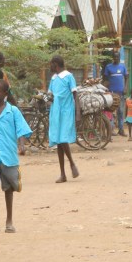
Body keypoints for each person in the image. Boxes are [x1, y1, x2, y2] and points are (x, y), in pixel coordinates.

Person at [0, 79, 32, 232]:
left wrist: (21, 145)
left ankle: (9, 220)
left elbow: (21, 129)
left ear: (5, 94)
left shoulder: (13, 111)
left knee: (8, 188)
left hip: (9, 155)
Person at [48, 55, 80, 183]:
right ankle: (63, 173)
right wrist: (45, 99)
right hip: (55, 112)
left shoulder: (68, 76)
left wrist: (78, 112)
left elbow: (75, 94)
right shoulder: (54, 78)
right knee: (58, 141)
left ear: (56, 64)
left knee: (62, 139)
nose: (50, 66)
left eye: (51, 64)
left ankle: (71, 164)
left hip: (66, 112)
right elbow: (50, 95)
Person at [103, 54, 128, 136]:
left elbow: (126, 77)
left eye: (117, 57)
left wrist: (125, 88)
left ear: (119, 58)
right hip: (111, 93)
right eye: (114, 57)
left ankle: (121, 130)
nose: (116, 58)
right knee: (111, 112)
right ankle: (111, 130)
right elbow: (105, 79)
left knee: (120, 112)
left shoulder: (122, 67)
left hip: (120, 93)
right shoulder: (108, 67)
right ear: (112, 58)